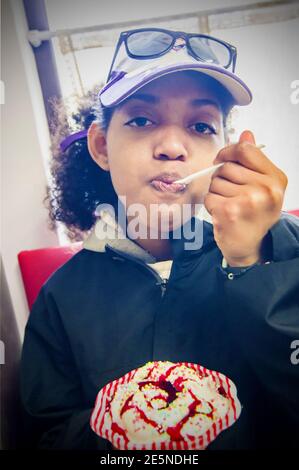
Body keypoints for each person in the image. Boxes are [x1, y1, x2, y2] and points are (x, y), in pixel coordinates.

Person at [20, 27, 299, 450]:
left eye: (201, 126)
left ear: (224, 154)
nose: (172, 146)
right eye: (141, 120)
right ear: (101, 147)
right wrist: (132, 437)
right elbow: (46, 431)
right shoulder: (60, 298)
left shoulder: (279, 254)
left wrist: (253, 264)